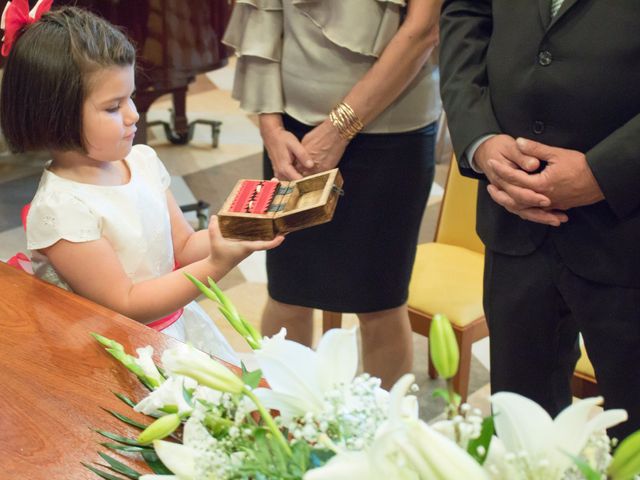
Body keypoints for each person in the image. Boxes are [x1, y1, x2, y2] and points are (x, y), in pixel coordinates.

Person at [0, 4, 283, 365]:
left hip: (178, 331)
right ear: (55, 112)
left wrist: (236, 227)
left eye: (130, 96)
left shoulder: (141, 161)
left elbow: (181, 245)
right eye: (113, 106)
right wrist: (217, 263)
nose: (134, 114)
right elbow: (127, 304)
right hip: (128, 353)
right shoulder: (62, 208)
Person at [439, 0, 640, 439]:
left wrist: (607, 170)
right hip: (513, 217)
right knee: (520, 428)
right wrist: (480, 137)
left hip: (628, 222)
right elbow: (466, 12)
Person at [223, 0, 442, 388]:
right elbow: (263, 15)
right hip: (293, 133)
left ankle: (379, 437)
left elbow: (422, 29)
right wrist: (271, 129)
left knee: (380, 302)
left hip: (392, 129)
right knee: (287, 291)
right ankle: (280, 428)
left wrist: (339, 128)